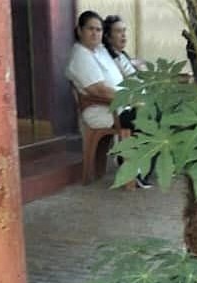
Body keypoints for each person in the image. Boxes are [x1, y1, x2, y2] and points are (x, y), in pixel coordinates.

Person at [65, 10, 153, 187]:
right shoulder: (80, 55)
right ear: (79, 30)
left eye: (98, 30)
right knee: (148, 118)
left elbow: (120, 72)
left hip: (120, 105)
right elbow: (98, 90)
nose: (95, 33)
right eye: (91, 29)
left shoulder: (100, 50)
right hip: (103, 110)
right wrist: (131, 99)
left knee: (155, 112)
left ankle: (138, 167)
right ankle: (132, 168)